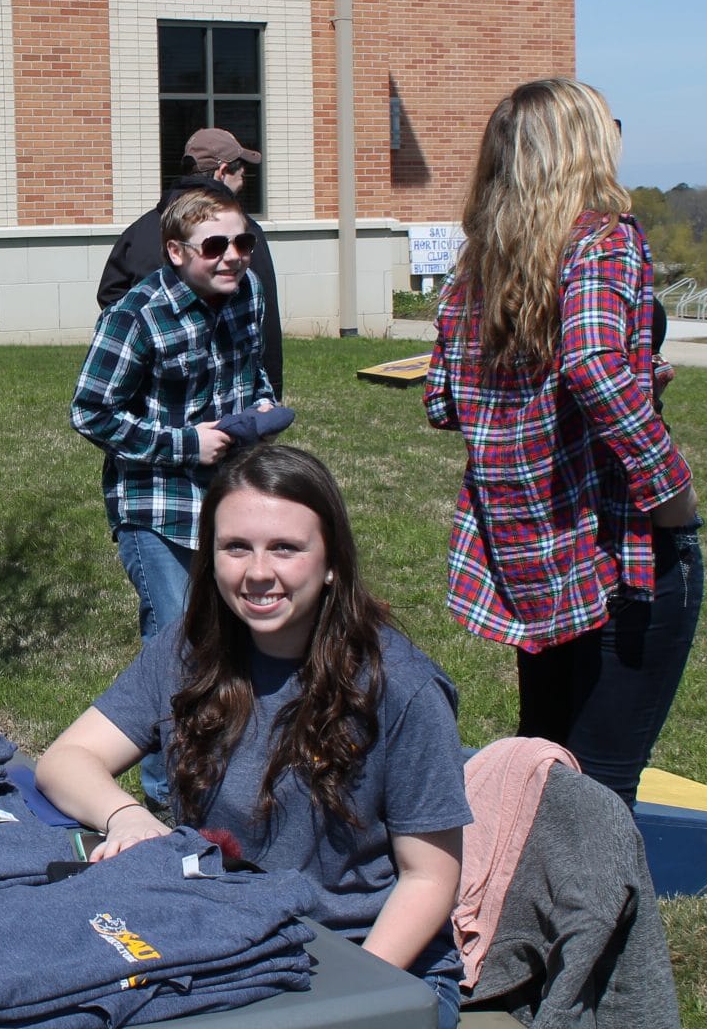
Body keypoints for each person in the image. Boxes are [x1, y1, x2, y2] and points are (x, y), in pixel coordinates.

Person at [36, 445, 471, 1029]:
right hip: (226, 940)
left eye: (285, 548)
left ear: (332, 560)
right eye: (236, 547)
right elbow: (67, 758)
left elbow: (429, 879)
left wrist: (353, 1003)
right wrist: (126, 817)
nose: (258, 572)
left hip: (371, 959)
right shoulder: (190, 651)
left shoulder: (403, 689)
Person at [425, 77, 701, 808]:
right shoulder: (605, 242)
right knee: (602, 793)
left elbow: (445, 399)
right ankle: (595, 924)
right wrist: (671, 490)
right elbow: (594, 365)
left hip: (530, 557)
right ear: (582, 146)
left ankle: (511, 917)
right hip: (618, 546)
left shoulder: (478, 264)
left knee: (541, 774)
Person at [71, 183, 275, 809]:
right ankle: (169, 798)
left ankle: (227, 772)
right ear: (176, 251)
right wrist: (186, 444)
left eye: (242, 242)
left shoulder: (246, 297)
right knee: (179, 645)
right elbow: (90, 412)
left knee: (234, 638)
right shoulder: (137, 315)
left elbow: (250, 372)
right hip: (155, 507)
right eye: (215, 245)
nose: (233, 256)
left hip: (225, 503)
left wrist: (260, 405)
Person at [98, 127, 284, 399]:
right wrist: (274, 391)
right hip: (212, 398)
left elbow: (109, 294)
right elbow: (266, 322)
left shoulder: (138, 231)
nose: (230, 255)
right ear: (222, 171)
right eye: (240, 171)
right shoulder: (244, 236)